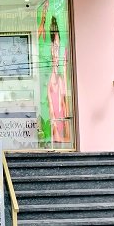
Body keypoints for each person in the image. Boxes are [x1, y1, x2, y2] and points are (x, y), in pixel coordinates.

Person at [47, 15, 70, 144]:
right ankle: (57, 136)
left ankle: (62, 136)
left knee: (62, 107)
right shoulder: (53, 48)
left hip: (58, 78)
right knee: (55, 107)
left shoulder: (61, 48)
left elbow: (62, 66)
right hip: (55, 77)